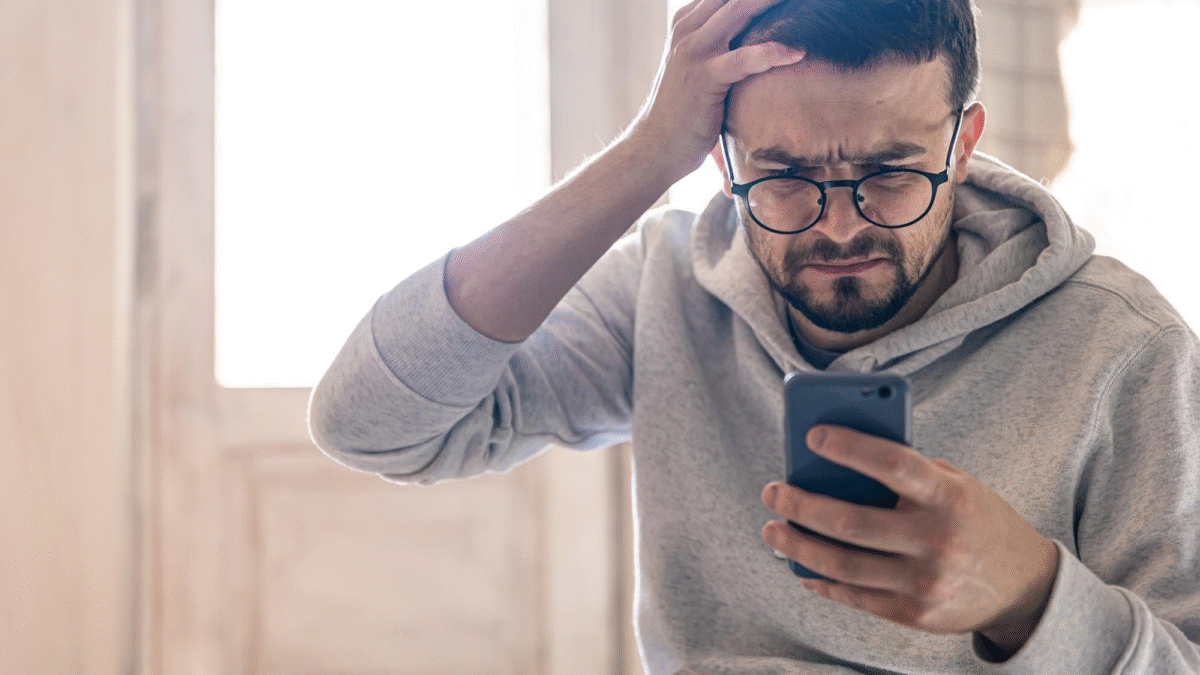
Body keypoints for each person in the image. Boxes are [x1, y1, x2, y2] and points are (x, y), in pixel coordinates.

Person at [307, 0, 1200, 671]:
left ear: (964, 143)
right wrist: (651, 151)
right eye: (782, 176)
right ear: (722, 155)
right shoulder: (669, 286)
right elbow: (371, 422)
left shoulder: (1125, 350)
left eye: (890, 173)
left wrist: (1031, 595)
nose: (841, 227)